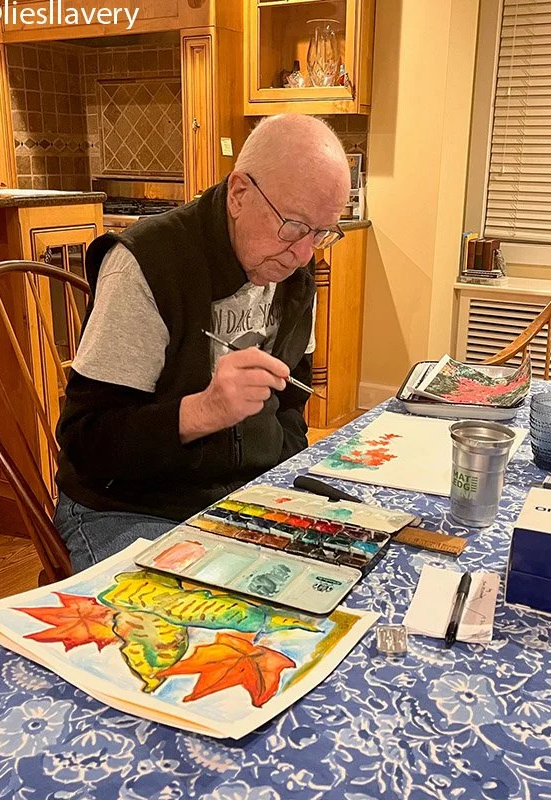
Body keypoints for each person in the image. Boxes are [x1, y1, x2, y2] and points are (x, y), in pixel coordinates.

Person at [54, 114, 351, 572]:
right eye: (293, 226)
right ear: (239, 194)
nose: (304, 253)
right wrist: (204, 411)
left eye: (322, 233)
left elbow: (293, 402)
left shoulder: (294, 268)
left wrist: (276, 474)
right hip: (129, 505)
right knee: (199, 615)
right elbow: (86, 443)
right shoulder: (146, 264)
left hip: (242, 494)